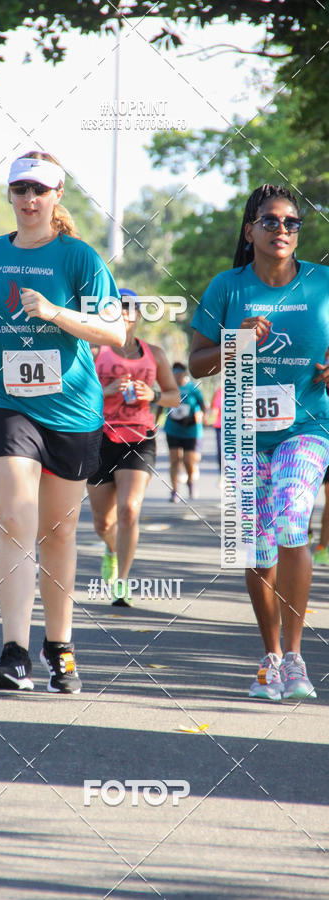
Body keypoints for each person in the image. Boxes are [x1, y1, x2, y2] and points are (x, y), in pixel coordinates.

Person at [0, 150, 125, 693]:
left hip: (72, 411)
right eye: (20, 190)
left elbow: (114, 333)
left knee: (58, 532)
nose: (29, 200)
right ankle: (13, 651)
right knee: (14, 519)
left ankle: (61, 646)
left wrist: (56, 314)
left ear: (56, 198)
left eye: (39, 191)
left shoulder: (80, 258)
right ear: (9, 195)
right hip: (7, 402)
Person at [189, 183, 329, 701]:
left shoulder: (323, 283)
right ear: (250, 232)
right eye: (270, 221)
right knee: (253, 543)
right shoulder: (228, 287)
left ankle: (295, 657)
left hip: (309, 426)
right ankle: (270, 655)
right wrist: (235, 341)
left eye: (292, 223)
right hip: (245, 433)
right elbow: (198, 362)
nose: (282, 230)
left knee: (291, 518)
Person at [87, 292, 180, 606]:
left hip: (139, 438)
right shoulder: (94, 350)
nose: (124, 313)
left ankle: (122, 583)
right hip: (99, 439)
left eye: (129, 307)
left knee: (129, 510)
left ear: (139, 314)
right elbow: (73, 394)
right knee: (103, 523)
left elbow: (174, 396)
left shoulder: (153, 353)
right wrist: (105, 390)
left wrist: (151, 395)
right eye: (117, 307)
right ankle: (111, 549)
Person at [163, 362, 206, 501]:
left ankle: (190, 482)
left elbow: (203, 405)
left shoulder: (193, 388)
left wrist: (204, 417)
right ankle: (174, 491)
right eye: (174, 374)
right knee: (174, 459)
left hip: (190, 429)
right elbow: (161, 404)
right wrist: (155, 421)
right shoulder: (168, 387)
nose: (177, 376)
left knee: (188, 460)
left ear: (184, 374)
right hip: (172, 428)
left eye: (179, 373)